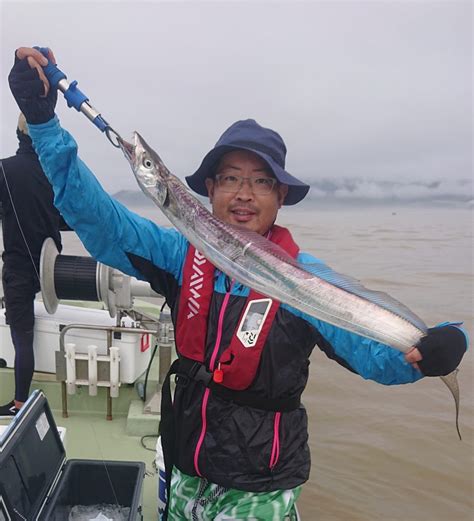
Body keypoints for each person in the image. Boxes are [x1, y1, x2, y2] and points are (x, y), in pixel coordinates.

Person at [8, 47, 468, 520]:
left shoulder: (306, 278)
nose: (244, 193)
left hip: (261, 491)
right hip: (185, 470)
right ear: (209, 189)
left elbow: (375, 356)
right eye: (230, 178)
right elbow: (102, 222)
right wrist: (45, 126)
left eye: (261, 182)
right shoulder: (180, 253)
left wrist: (440, 346)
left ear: (280, 196)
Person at [0, 112, 64, 417]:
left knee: (22, 337)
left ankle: (19, 404)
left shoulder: (4, 169)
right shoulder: (54, 172)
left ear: (18, 135)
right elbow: (67, 219)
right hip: (53, 270)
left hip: (18, 269)